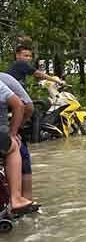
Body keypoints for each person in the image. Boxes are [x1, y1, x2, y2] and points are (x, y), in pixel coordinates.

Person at [0, 76, 35, 215]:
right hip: (2, 136)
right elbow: (23, 105)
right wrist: (13, 132)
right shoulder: (5, 79)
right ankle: (17, 198)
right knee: (15, 148)